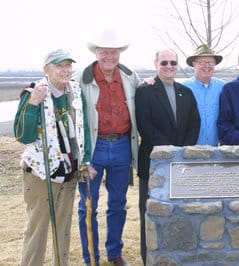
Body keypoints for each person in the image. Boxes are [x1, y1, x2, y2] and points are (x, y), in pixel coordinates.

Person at [14, 49, 95, 266]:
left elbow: (84, 129)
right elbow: (23, 135)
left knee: (63, 230)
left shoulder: (75, 90)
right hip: (40, 175)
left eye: (68, 65)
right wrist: (32, 105)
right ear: (46, 69)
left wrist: (85, 161)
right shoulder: (33, 92)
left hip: (69, 171)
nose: (65, 70)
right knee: (37, 230)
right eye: (59, 66)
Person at [74, 29, 140, 266]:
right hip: (94, 147)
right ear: (97, 53)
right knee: (88, 205)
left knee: (118, 204)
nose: (109, 56)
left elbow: (141, 100)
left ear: (119, 53)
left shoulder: (130, 77)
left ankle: (114, 252)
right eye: (104, 52)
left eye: (114, 51)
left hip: (122, 145)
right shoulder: (83, 80)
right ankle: (90, 256)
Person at [135, 49, 200, 265]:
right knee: (150, 213)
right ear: (156, 64)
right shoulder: (144, 91)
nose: (169, 66)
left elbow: (194, 123)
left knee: (179, 213)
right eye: (164, 62)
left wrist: (181, 151)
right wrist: (170, 150)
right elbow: (146, 126)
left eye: (173, 62)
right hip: (154, 163)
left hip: (181, 163)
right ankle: (149, 258)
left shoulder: (185, 92)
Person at [184, 44, 225, 145]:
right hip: (189, 150)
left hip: (216, 151)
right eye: (202, 62)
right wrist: (150, 81)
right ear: (194, 64)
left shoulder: (223, 87)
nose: (207, 66)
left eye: (210, 62)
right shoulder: (182, 88)